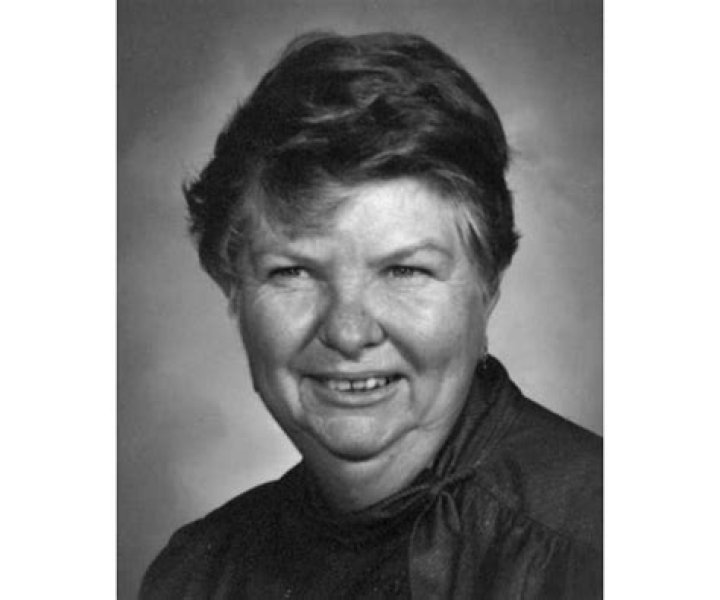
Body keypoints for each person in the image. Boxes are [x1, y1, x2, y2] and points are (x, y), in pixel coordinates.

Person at [140, 31, 602, 599]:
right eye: (293, 271)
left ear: (489, 287)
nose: (348, 331)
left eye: (404, 270)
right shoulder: (193, 578)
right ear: (231, 287)